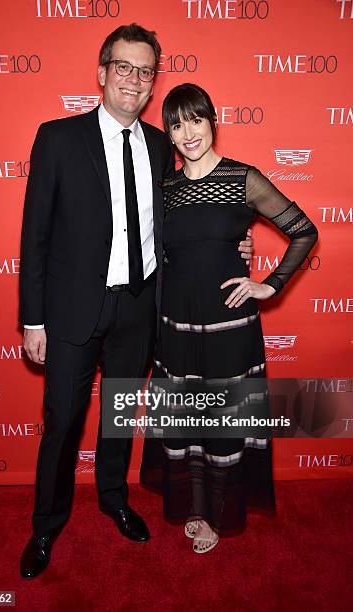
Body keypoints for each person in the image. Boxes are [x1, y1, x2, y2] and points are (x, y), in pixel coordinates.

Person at [19, 26, 254, 578]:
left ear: (153, 86)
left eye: (144, 71)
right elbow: (35, 236)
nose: (133, 78)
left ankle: (113, 498)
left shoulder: (157, 144)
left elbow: (187, 214)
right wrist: (33, 319)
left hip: (140, 305)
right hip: (74, 309)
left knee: (120, 415)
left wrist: (235, 240)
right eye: (123, 67)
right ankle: (46, 525)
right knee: (63, 423)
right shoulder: (56, 138)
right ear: (102, 73)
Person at [140, 83, 318, 553]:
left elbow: (304, 230)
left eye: (195, 119)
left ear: (211, 120)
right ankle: (195, 508)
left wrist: (269, 283)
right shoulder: (167, 189)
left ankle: (219, 515)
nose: (187, 133)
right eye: (176, 125)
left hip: (228, 329)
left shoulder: (243, 179)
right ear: (171, 136)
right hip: (177, 326)